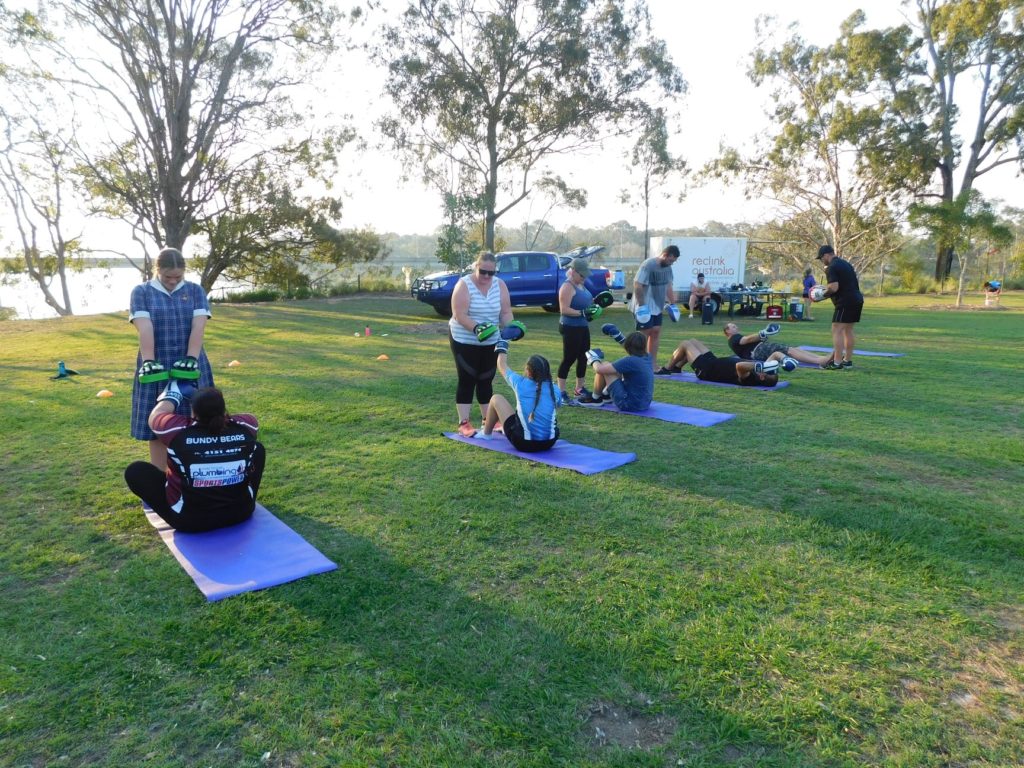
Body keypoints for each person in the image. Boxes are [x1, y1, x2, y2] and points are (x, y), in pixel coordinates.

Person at [124, 383, 265, 533]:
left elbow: (155, 417)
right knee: (258, 449)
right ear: (223, 409)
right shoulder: (247, 425)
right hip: (240, 512)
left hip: (189, 521)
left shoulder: (176, 430)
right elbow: (242, 419)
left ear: (193, 412)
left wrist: (172, 395)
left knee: (135, 470)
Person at [130, 247, 214, 472]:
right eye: (168, 277)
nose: (173, 281)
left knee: (198, 422)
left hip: (191, 364)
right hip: (157, 365)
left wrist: (191, 358)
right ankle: (160, 482)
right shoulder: (142, 292)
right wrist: (149, 361)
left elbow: (199, 325)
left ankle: (196, 477)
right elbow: (144, 327)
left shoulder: (196, 290)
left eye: (178, 277)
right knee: (158, 426)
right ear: (157, 270)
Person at [449, 251, 516, 436]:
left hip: (491, 340)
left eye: (491, 272)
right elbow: (459, 314)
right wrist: (477, 328)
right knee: (467, 379)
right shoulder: (464, 284)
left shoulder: (500, 285)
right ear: (476, 267)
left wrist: (512, 327)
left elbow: (505, 312)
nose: (487, 276)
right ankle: (464, 423)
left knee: (486, 379)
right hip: (464, 338)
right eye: (483, 271)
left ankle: (489, 420)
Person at [476, 339, 560, 450]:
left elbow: (501, 365)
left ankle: (486, 434)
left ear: (528, 372)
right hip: (549, 443)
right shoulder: (555, 389)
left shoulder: (520, 383)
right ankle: (516, 427)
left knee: (496, 398)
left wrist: (502, 344)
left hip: (524, 443)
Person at [810, 244, 864, 369]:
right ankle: (847, 361)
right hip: (857, 299)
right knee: (848, 330)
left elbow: (833, 288)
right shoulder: (846, 264)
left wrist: (822, 295)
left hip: (845, 302)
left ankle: (837, 362)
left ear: (826, 255)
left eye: (821, 258)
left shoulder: (831, 267)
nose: (822, 261)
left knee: (836, 330)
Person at [576, 326, 655, 411]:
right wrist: (618, 336)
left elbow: (599, 369)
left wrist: (593, 358)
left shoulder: (630, 361)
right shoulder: (647, 356)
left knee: (606, 366)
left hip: (628, 404)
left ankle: (595, 399)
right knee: (613, 368)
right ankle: (606, 395)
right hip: (644, 403)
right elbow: (632, 346)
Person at [556, 257, 599, 405]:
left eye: (585, 275)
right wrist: (582, 313)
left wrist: (595, 306)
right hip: (570, 327)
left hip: (582, 327)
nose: (584, 278)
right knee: (569, 359)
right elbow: (564, 309)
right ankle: (561, 392)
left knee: (583, 358)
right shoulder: (567, 287)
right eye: (582, 275)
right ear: (573, 272)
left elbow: (588, 301)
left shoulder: (581, 284)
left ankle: (579, 388)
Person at [630, 245, 679, 370]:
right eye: (670, 260)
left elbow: (668, 286)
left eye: (674, 261)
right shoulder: (648, 265)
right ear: (665, 254)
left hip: (657, 306)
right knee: (643, 335)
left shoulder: (668, 269)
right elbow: (638, 284)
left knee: (656, 332)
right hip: (644, 305)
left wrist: (673, 304)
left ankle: (652, 365)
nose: (671, 263)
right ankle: (638, 365)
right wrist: (642, 307)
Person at [654, 338, 781, 387]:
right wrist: (784, 360)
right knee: (693, 341)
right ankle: (677, 368)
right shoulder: (760, 372)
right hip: (714, 361)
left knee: (685, 344)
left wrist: (762, 366)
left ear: (762, 376)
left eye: (767, 371)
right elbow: (775, 355)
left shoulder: (751, 379)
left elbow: (740, 366)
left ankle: (667, 368)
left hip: (707, 370)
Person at [722, 321, 829, 367]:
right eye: (733, 326)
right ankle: (819, 361)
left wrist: (762, 336)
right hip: (758, 350)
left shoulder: (734, 339)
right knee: (790, 351)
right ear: (727, 331)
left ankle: (820, 358)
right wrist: (763, 332)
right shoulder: (733, 338)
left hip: (760, 350)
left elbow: (749, 340)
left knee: (792, 349)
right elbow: (747, 340)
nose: (737, 327)